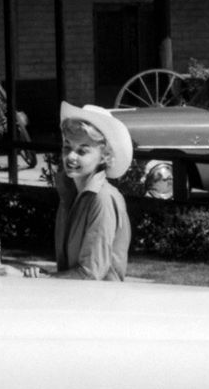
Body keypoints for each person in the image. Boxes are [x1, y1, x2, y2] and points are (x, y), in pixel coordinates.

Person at [26, 103, 133, 281]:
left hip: (99, 305)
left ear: (104, 156)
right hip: (78, 302)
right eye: (67, 147)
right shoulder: (70, 194)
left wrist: (33, 280)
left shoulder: (102, 198)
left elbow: (89, 275)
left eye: (82, 151)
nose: (71, 157)